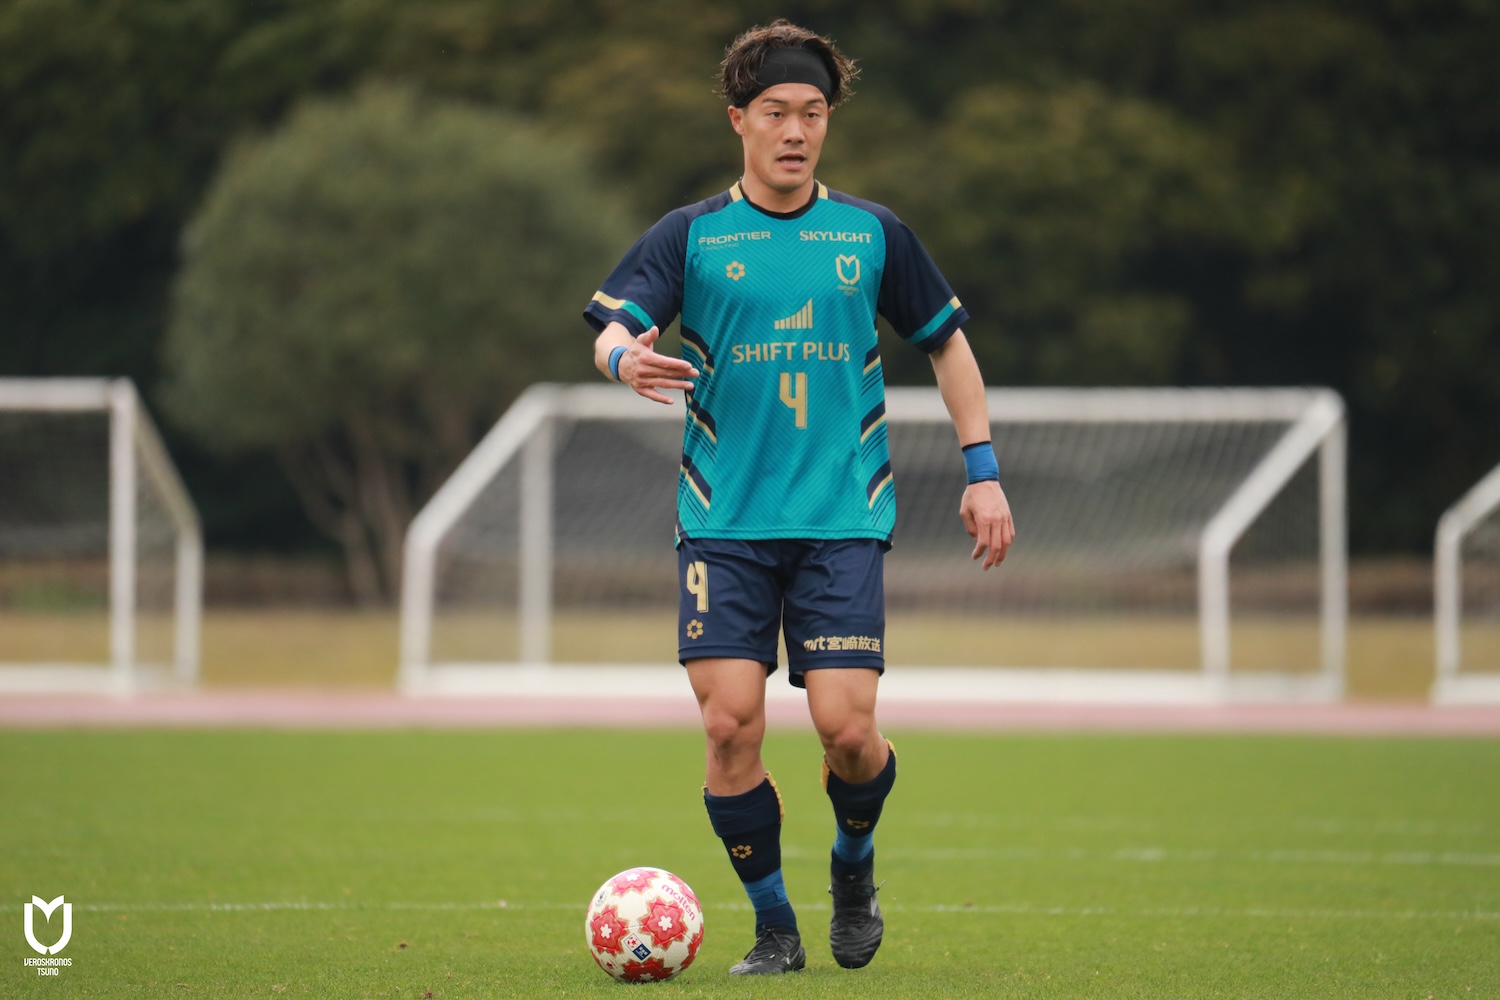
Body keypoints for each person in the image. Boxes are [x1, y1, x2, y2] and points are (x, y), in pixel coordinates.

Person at [583, 18, 1014, 976]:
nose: (795, 130)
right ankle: (775, 927)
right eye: (775, 111)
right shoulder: (692, 235)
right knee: (729, 723)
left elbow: (947, 343)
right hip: (724, 523)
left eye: (812, 112)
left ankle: (853, 864)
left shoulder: (872, 233)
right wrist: (624, 361)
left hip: (840, 520)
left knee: (848, 732)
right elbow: (612, 326)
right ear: (738, 119)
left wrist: (982, 470)